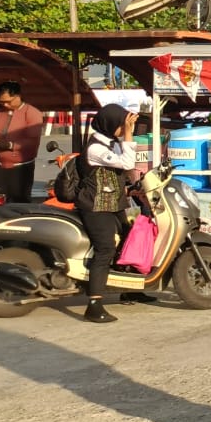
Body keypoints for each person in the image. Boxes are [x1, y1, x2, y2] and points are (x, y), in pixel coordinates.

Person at [75, 103, 153, 324]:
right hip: (96, 206)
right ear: (110, 124)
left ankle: (130, 290)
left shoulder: (111, 143)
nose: (126, 128)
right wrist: (128, 133)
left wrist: (132, 188)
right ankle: (94, 305)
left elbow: (120, 171)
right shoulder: (95, 148)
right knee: (105, 249)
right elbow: (127, 162)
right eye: (122, 124)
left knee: (129, 239)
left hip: (113, 203)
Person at [0, 81, 44, 202]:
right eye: (2, 102)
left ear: (18, 96)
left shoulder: (31, 113)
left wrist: (9, 145)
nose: (5, 105)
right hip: (0, 165)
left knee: (18, 203)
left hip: (21, 168)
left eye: (8, 101)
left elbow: (32, 142)